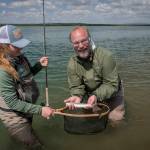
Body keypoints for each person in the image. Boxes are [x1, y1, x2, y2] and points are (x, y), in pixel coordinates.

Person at [0, 25, 54, 149]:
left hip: (26, 110)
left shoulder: (19, 57)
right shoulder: (2, 71)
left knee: (25, 140)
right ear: (4, 46)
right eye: (16, 45)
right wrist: (41, 110)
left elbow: (26, 77)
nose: (21, 47)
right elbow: (12, 102)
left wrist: (39, 66)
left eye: (21, 43)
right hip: (14, 117)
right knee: (37, 146)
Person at [64, 26, 125, 123]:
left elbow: (112, 85)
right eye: (76, 43)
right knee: (90, 118)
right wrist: (77, 96)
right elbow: (76, 86)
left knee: (115, 119)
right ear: (72, 44)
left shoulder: (106, 56)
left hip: (113, 91)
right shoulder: (72, 63)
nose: (80, 46)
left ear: (90, 39)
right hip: (91, 94)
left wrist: (96, 95)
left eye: (83, 41)